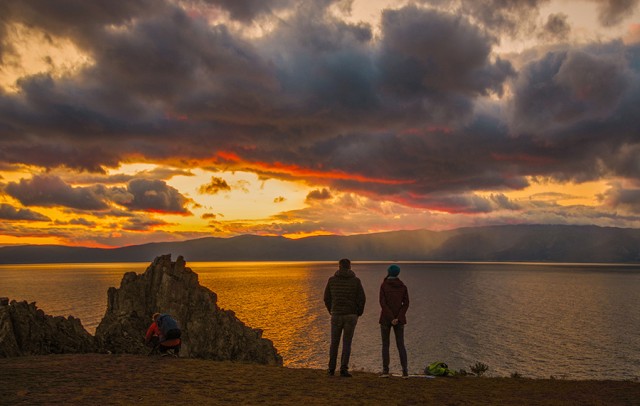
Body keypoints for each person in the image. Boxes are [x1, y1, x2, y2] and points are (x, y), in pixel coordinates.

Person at [323, 258, 366, 377]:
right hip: (350, 315)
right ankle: (343, 369)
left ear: (339, 266)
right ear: (350, 267)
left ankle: (331, 369)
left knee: (334, 343)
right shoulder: (356, 281)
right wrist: (358, 313)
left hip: (336, 315)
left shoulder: (332, 280)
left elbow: (326, 298)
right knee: (347, 343)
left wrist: (331, 311)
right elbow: (362, 298)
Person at [379, 264, 409, 378]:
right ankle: (405, 371)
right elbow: (406, 304)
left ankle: (386, 371)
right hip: (399, 320)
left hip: (386, 319)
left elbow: (383, 303)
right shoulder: (403, 286)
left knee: (385, 345)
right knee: (401, 345)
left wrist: (391, 318)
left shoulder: (384, 285)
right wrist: (398, 317)